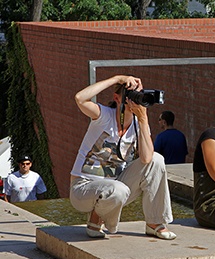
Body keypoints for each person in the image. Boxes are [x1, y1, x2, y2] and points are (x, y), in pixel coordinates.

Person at [70, 75, 176, 240]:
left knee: (157, 159)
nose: (134, 100)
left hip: (118, 190)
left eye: (138, 96)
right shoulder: (104, 116)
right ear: (117, 98)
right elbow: (80, 98)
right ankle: (96, 217)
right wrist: (116, 79)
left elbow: (147, 159)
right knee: (117, 189)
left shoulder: (139, 122)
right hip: (84, 188)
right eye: (130, 96)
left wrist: (143, 118)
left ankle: (154, 222)